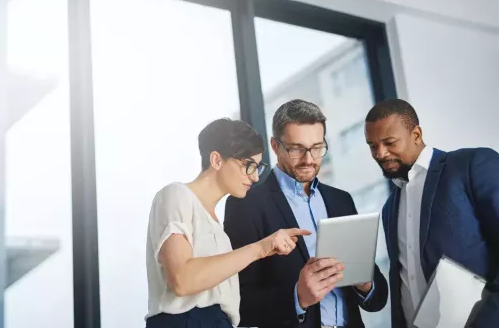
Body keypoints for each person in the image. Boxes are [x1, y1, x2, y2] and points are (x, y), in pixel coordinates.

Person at [225, 99, 388, 328]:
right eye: (296, 149)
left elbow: (378, 299)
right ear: (275, 146)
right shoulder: (246, 205)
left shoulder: (341, 201)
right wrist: (297, 297)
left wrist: (365, 285)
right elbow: (237, 302)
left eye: (317, 148)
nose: (309, 159)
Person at [145, 118, 311, 328]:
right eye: (248, 165)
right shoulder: (176, 195)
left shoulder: (219, 230)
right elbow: (182, 279)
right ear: (216, 160)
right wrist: (260, 248)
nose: (255, 177)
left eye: (258, 167)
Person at [364, 98, 499, 328]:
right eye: (373, 146)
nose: (380, 153)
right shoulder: (389, 208)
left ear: (416, 134)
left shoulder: (470, 165)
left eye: (389, 142)